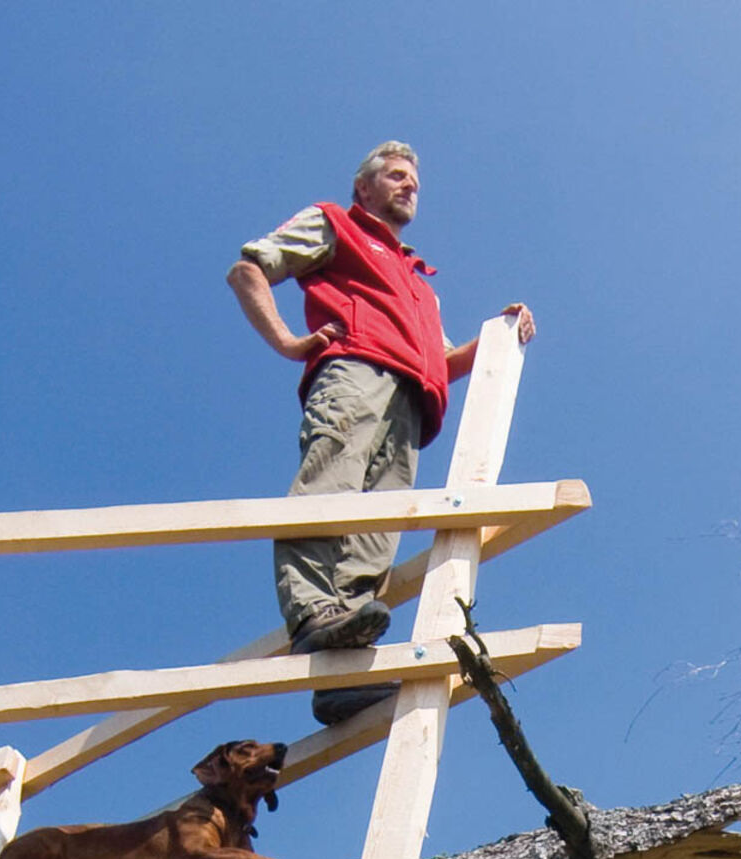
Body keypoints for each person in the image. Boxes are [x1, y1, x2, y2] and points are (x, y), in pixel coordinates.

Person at [228, 141, 535, 726]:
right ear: (363, 188)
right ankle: (312, 616)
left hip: (412, 404)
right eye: (395, 176)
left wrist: (498, 333)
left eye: (415, 181)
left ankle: (343, 673)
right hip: (355, 372)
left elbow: (443, 359)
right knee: (330, 490)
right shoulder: (335, 222)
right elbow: (248, 271)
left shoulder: (419, 282)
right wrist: (288, 342)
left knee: (380, 527)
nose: (409, 186)